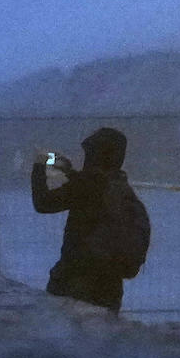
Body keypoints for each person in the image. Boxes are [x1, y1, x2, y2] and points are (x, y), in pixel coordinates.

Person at [31, 126, 146, 314]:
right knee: (102, 336)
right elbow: (93, 193)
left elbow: (43, 203)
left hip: (77, 279)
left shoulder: (88, 184)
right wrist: (71, 173)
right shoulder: (118, 183)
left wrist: (39, 166)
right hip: (109, 282)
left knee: (70, 336)